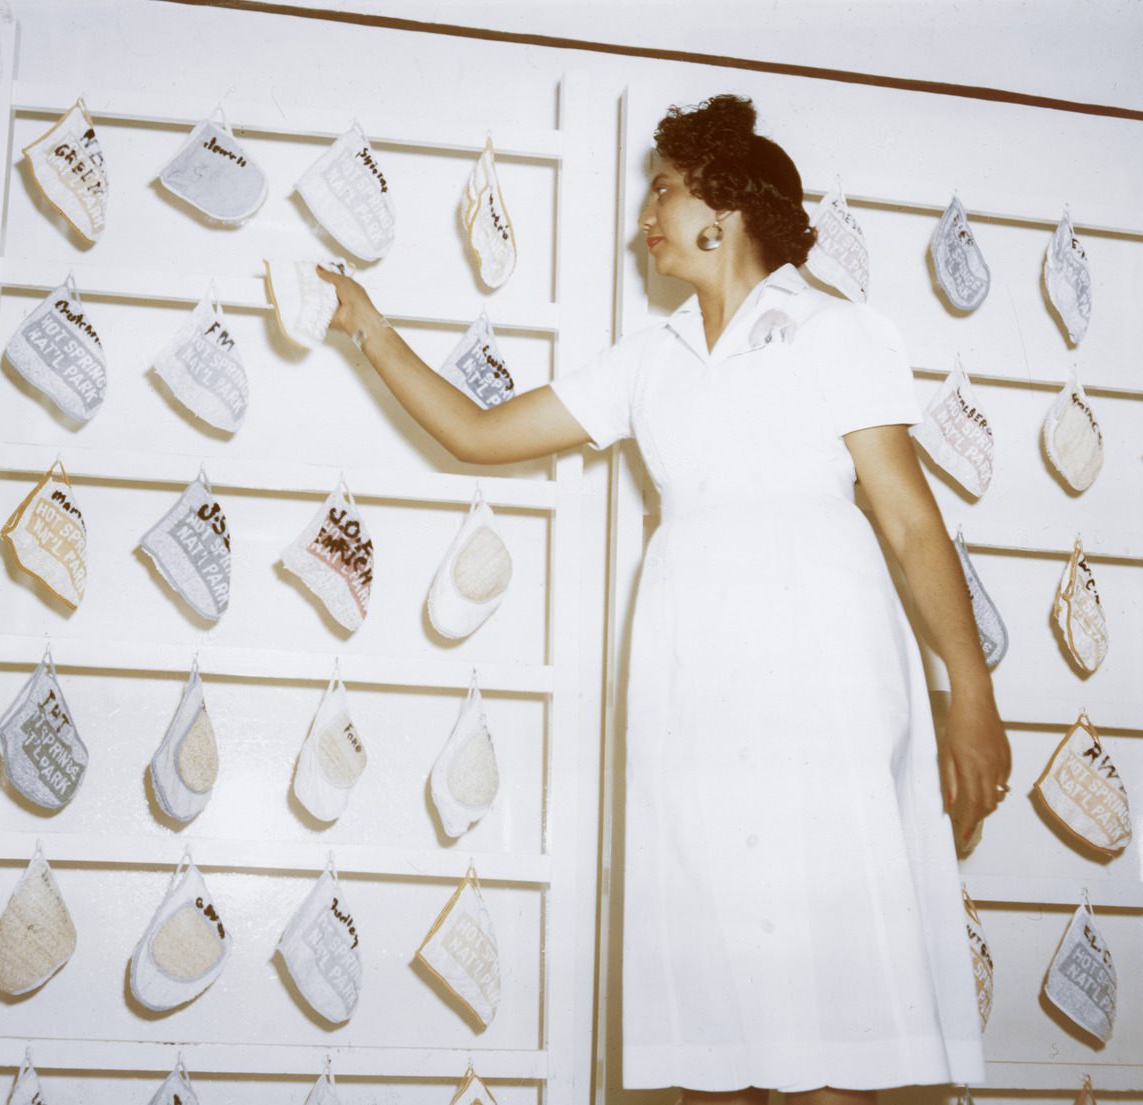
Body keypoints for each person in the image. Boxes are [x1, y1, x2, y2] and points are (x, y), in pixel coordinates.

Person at [318, 94, 1010, 1105]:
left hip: (826, 675)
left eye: (663, 190)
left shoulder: (834, 329)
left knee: (835, 990)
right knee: (713, 996)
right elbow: (474, 432)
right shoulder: (649, 360)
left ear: (723, 210)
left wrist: (971, 695)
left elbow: (908, 523)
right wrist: (364, 325)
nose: (644, 215)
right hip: (692, 686)